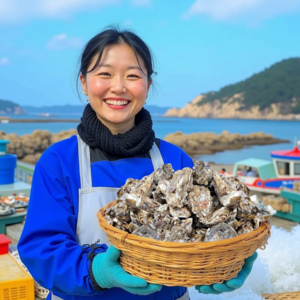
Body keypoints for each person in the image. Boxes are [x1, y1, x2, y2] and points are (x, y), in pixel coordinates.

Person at [18, 27, 257, 300]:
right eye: (104, 73)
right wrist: (95, 270)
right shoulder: (59, 162)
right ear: (84, 83)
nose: (118, 87)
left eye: (132, 75)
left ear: (148, 86)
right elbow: (41, 249)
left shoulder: (176, 160)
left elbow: (208, 234)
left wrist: (228, 260)